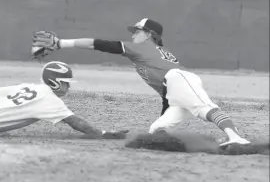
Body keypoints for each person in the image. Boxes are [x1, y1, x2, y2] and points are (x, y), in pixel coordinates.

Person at [31, 18, 250, 147]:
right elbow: (169, 96)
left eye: (138, 31)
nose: (134, 34)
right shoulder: (151, 50)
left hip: (178, 79)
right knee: (156, 132)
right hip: (173, 90)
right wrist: (166, 111)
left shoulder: (143, 47)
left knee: (206, 109)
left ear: (149, 35)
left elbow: (98, 44)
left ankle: (235, 137)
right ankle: (202, 144)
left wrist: (61, 43)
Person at [0, 61, 128, 139]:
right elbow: (76, 122)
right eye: (66, 82)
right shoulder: (50, 100)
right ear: (55, 82)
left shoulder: (30, 86)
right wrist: (103, 134)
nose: (69, 86)